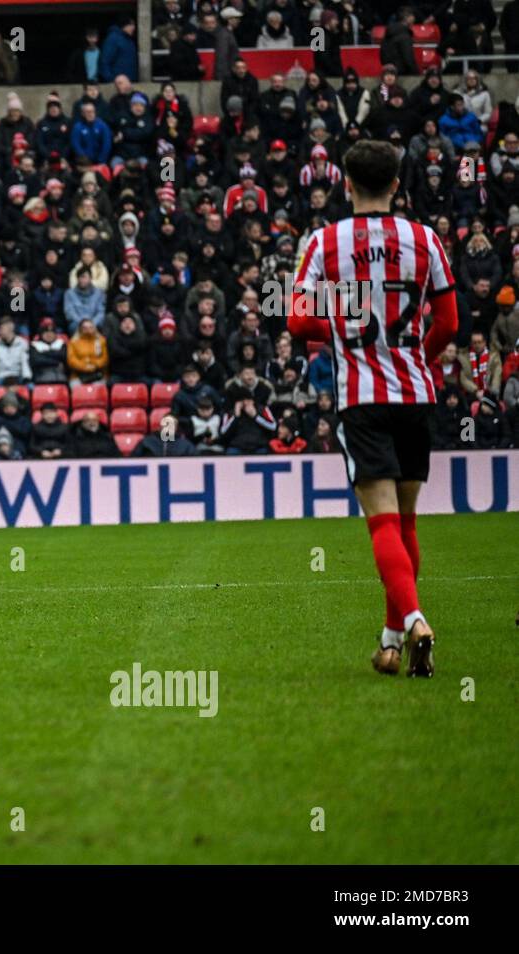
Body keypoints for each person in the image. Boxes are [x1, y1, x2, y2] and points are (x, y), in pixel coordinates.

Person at [288, 140, 459, 678]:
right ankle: (390, 643)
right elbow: (450, 324)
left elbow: (296, 321)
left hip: (362, 397)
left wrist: (345, 334)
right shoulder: (425, 238)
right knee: (407, 524)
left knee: (382, 524)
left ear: (345, 183)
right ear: (397, 185)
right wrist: (413, 358)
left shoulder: (325, 242)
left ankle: (413, 620)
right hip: (414, 394)